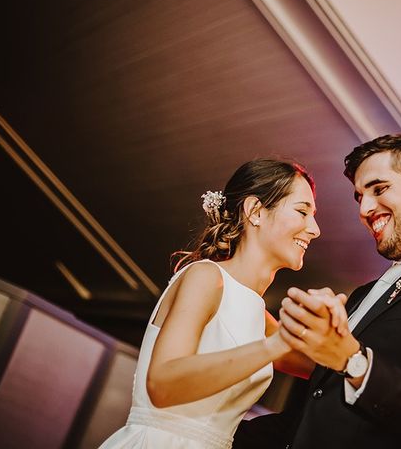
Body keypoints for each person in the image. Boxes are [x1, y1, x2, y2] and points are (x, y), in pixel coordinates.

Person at [235, 135, 401, 449]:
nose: (364, 208)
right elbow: (315, 414)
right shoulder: (361, 295)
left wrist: (353, 360)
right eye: (359, 197)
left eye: (379, 189)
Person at [99, 159, 348, 449]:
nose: (315, 229)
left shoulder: (261, 319)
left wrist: (333, 327)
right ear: (255, 211)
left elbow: (330, 371)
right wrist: (276, 344)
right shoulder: (205, 277)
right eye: (302, 211)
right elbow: (162, 384)